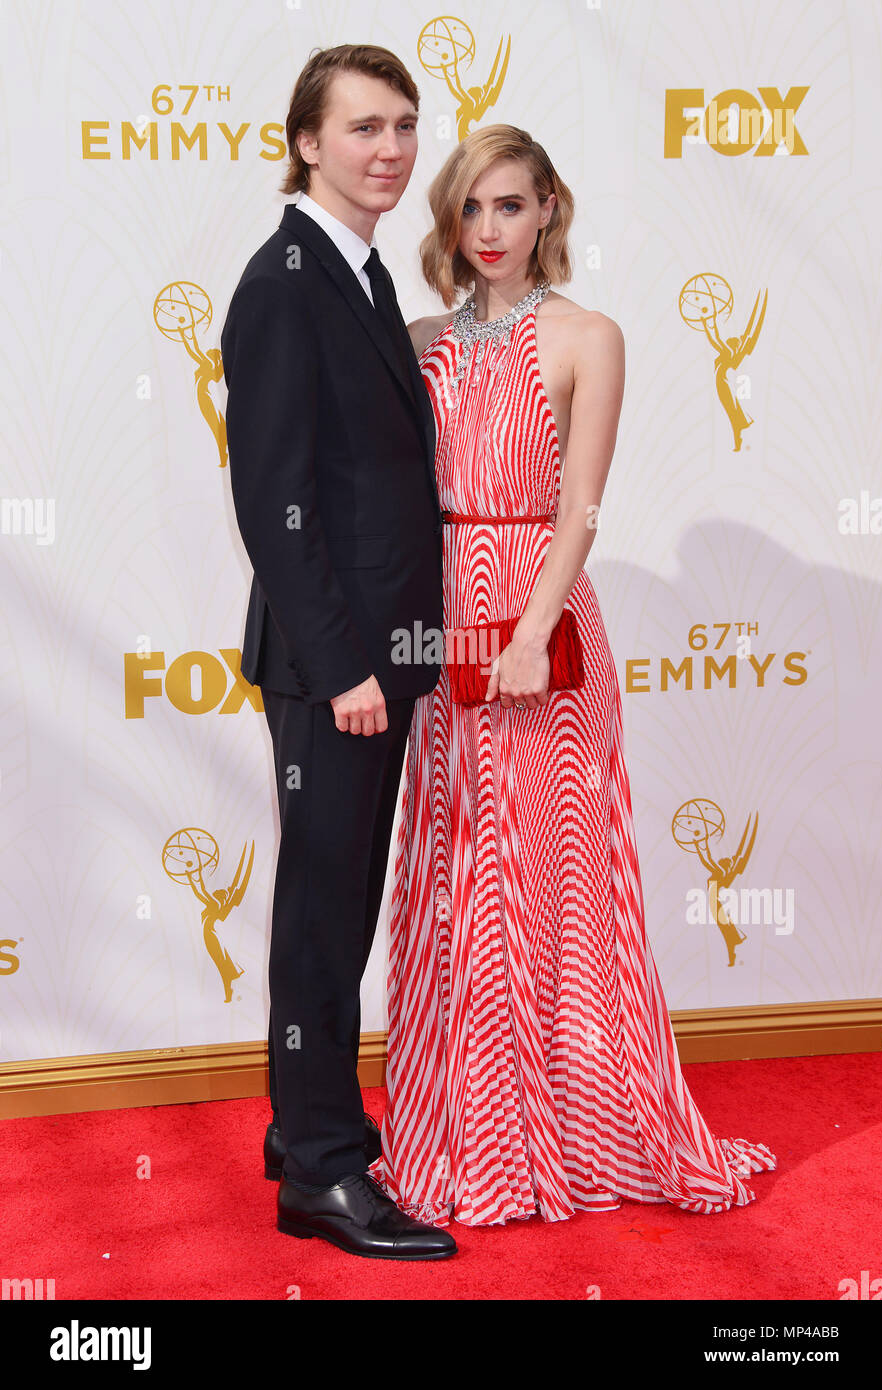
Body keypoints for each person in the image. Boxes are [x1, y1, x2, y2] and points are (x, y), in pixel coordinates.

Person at [369, 124, 778, 1226]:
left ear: (549, 208)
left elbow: (580, 507)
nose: (490, 229)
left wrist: (526, 627)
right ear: (448, 224)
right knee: (458, 872)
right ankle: (465, 1129)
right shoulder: (414, 343)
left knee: (551, 877)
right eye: (470, 209)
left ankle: (585, 1125)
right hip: (446, 612)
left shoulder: (590, 335)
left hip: (537, 621)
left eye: (510, 205)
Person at [220, 44, 456, 1260]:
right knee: (323, 917)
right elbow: (274, 498)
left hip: (379, 654)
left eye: (407, 124)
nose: (392, 148)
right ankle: (321, 1169)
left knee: (340, 907)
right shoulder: (285, 280)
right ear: (308, 141)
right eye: (364, 126)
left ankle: (299, 1122)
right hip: (336, 668)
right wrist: (346, 662)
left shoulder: (353, 272)